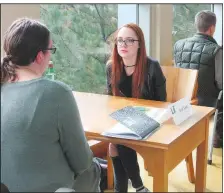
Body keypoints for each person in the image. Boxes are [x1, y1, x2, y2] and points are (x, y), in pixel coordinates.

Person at [1, 18, 102, 192]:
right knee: (94, 168)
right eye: (51, 50)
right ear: (40, 55)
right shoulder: (56, 93)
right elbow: (81, 162)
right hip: (56, 188)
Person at [106, 23, 167, 192]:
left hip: (152, 120)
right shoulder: (111, 67)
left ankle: (135, 186)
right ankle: (137, 187)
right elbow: (110, 101)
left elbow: (162, 102)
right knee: (116, 142)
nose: (123, 45)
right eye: (120, 40)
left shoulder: (152, 66)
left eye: (129, 40)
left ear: (139, 44)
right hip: (124, 119)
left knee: (118, 142)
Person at [173, 10, 223, 147]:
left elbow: (178, 72)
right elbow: (221, 83)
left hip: (182, 100)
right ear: (212, 28)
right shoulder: (217, 50)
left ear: (197, 25)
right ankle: (217, 140)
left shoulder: (178, 45)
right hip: (206, 102)